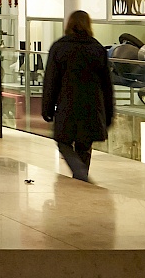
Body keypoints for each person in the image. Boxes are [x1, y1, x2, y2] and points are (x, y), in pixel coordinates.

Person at [42, 10, 114, 181]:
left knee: (63, 141)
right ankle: (81, 176)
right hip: (92, 107)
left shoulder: (60, 47)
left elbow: (51, 81)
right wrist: (109, 115)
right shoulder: (97, 49)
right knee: (84, 144)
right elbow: (107, 86)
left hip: (67, 104)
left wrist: (47, 108)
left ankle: (79, 173)